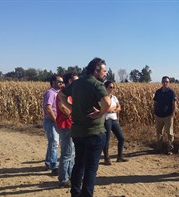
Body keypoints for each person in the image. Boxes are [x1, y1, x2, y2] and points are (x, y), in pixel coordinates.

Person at [58, 57, 111, 197]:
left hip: (77, 133)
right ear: (96, 70)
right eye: (104, 70)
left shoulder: (77, 83)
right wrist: (100, 112)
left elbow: (61, 94)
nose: (105, 73)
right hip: (94, 133)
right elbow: (107, 102)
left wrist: (72, 107)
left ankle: (75, 194)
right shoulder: (97, 85)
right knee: (91, 169)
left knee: (78, 164)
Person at [55, 72, 79, 188]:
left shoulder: (71, 92)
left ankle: (69, 176)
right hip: (65, 125)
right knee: (67, 153)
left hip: (70, 125)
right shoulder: (64, 92)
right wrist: (74, 113)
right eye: (75, 80)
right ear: (69, 81)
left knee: (72, 153)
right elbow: (63, 107)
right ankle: (64, 179)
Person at [102, 81, 129, 165]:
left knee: (121, 138)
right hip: (106, 119)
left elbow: (119, 107)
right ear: (105, 88)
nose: (112, 89)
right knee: (107, 140)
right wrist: (111, 109)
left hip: (114, 119)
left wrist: (113, 109)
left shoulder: (114, 97)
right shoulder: (103, 97)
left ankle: (120, 156)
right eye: (110, 87)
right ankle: (106, 158)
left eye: (113, 87)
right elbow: (105, 109)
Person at [42, 75, 64, 175]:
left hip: (54, 121)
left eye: (62, 82)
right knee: (54, 142)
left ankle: (48, 163)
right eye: (59, 81)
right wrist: (55, 120)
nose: (61, 83)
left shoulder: (57, 93)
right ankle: (54, 165)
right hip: (51, 121)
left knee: (53, 143)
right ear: (53, 82)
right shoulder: (50, 93)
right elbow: (48, 108)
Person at [153, 76, 177, 155]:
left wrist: (172, 114)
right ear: (161, 82)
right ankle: (159, 148)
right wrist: (155, 112)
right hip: (158, 115)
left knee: (169, 133)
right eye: (163, 81)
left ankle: (170, 149)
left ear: (169, 83)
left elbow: (174, 104)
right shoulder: (158, 92)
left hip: (168, 116)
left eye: (166, 82)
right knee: (159, 132)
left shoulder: (171, 92)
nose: (165, 83)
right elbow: (155, 103)